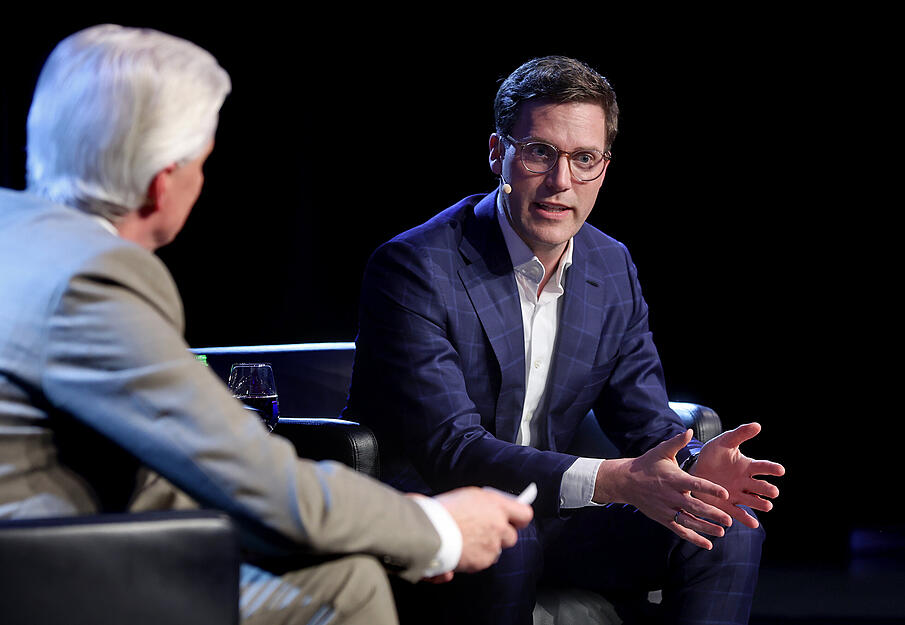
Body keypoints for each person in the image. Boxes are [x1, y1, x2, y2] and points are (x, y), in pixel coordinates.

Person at [0, 24, 533, 625]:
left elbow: (166, 467)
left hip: (67, 535)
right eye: (203, 162)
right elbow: (246, 474)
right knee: (344, 589)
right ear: (161, 184)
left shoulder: (14, 231)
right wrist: (437, 528)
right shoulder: (96, 277)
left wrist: (380, 525)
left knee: (340, 566)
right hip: (40, 571)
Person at [344, 55, 786, 624]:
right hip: (441, 506)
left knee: (719, 526)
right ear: (498, 152)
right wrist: (612, 479)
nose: (561, 183)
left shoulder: (610, 264)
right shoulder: (414, 266)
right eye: (539, 152)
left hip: (559, 515)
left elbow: (647, 422)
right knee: (510, 540)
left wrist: (693, 466)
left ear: (605, 166)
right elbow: (452, 449)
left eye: (584, 159)